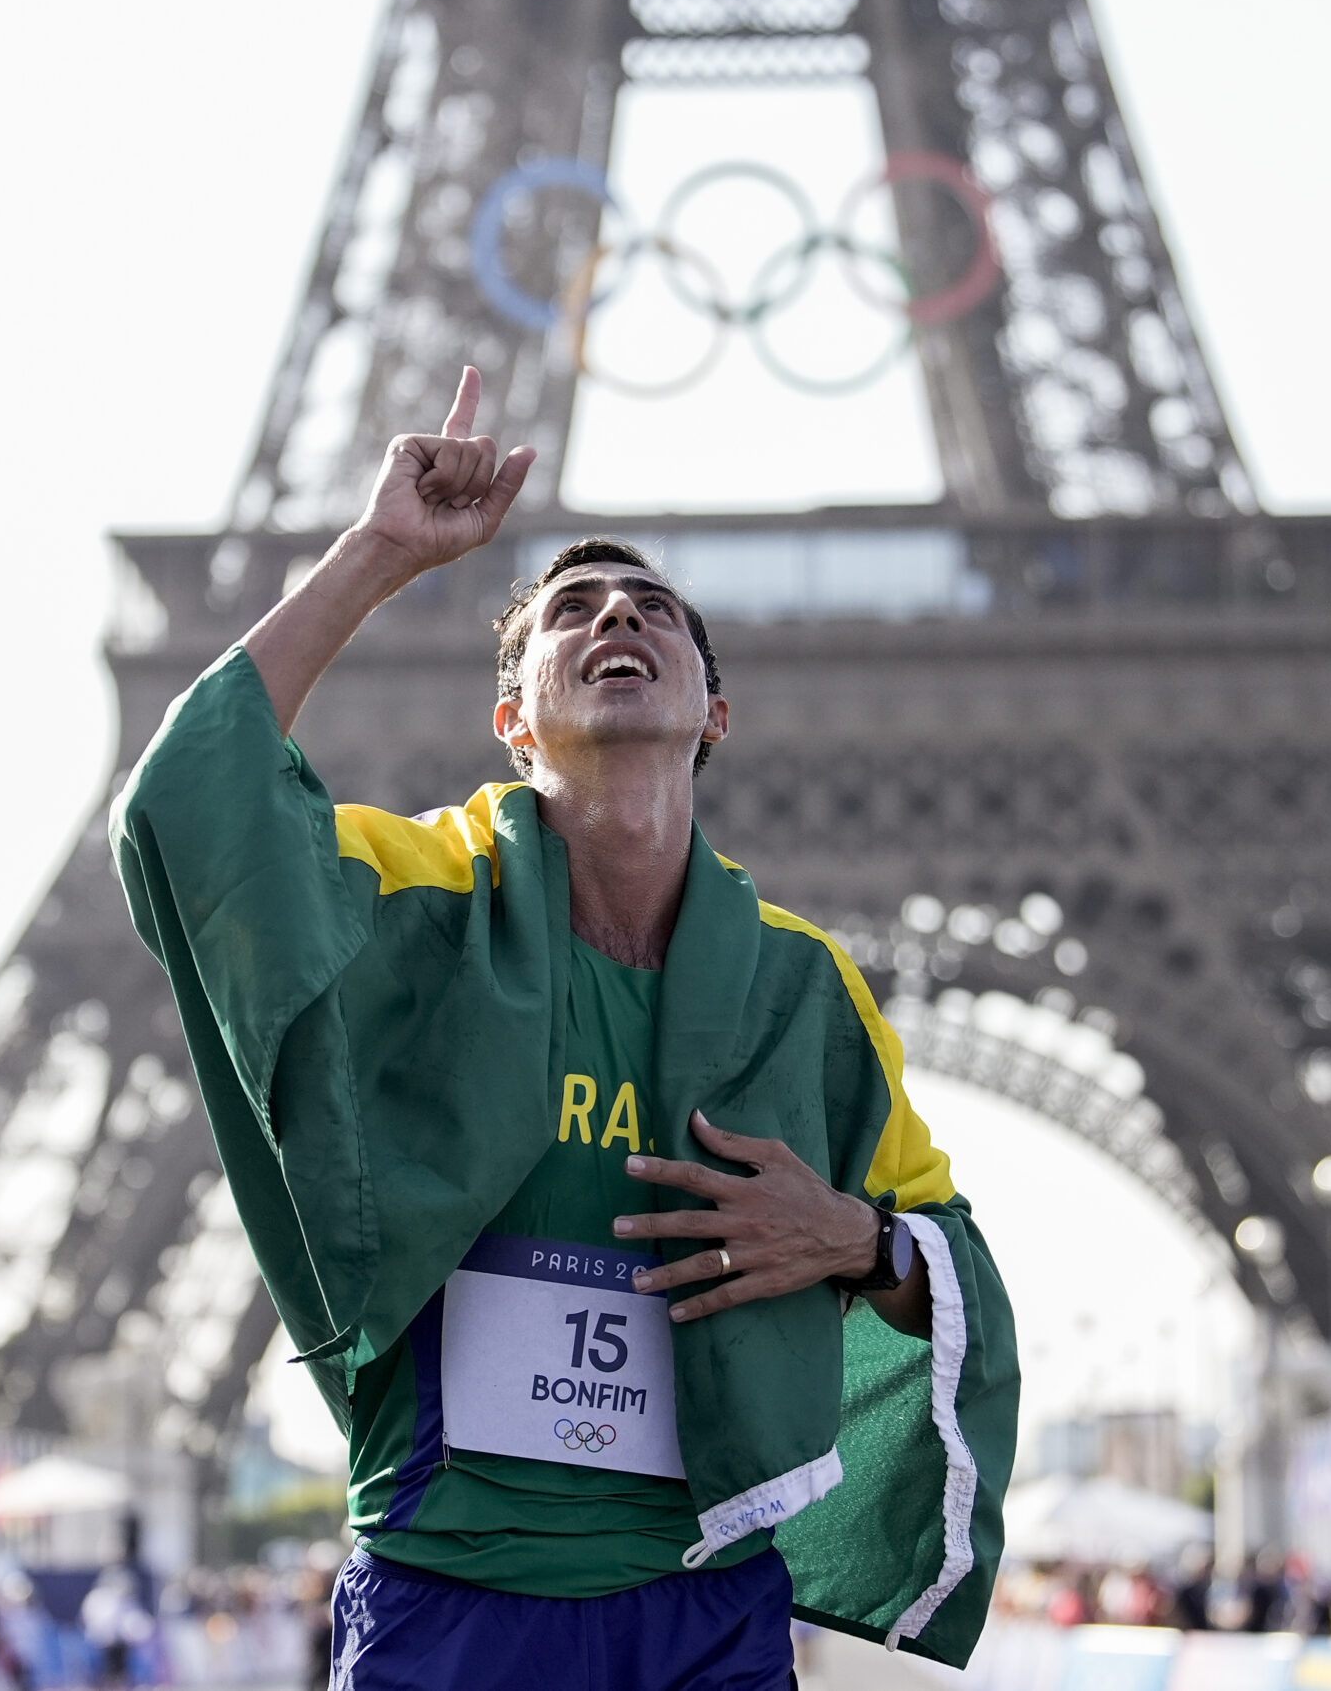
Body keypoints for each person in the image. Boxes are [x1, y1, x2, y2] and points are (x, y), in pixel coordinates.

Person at [113, 367, 1019, 1688]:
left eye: (655, 610)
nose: (617, 618)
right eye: (573, 611)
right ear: (511, 718)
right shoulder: (409, 897)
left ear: (713, 711)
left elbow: (954, 1272)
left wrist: (857, 1237)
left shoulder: (804, 990)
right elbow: (189, 811)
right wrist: (378, 555)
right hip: (455, 1593)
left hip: (701, 1611)